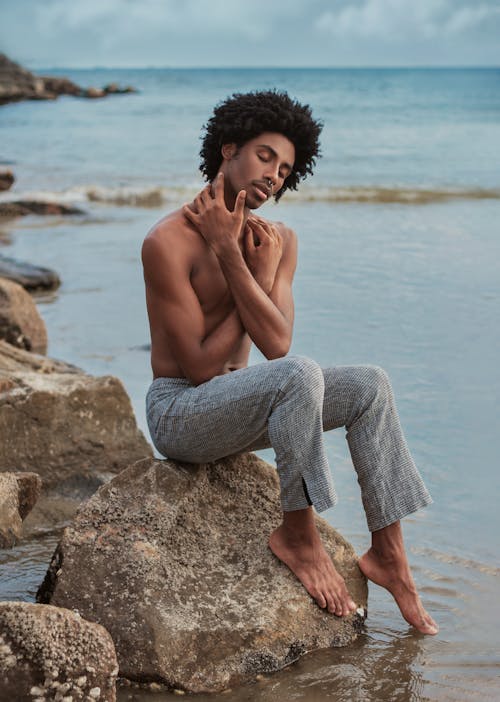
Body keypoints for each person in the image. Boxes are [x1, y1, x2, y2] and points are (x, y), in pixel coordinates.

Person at [142, 90, 438, 636]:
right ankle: (298, 534)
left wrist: (247, 261)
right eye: (264, 156)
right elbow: (203, 368)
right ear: (228, 150)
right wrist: (238, 265)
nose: (274, 175)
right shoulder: (167, 242)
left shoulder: (278, 241)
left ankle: (389, 553)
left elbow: (275, 342)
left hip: (248, 398)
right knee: (300, 372)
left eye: (285, 169)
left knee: (370, 384)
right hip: (181, 412)